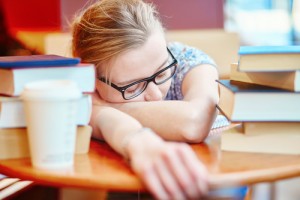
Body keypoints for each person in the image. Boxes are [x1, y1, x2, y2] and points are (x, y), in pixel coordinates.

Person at [71, 0, 220, 199]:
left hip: (209, 184)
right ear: (92, 78)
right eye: (132, 87)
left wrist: (103, 107)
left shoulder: (187, 61)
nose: (156, 95)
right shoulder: (76, 87)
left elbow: (194, 122)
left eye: (161, 73)